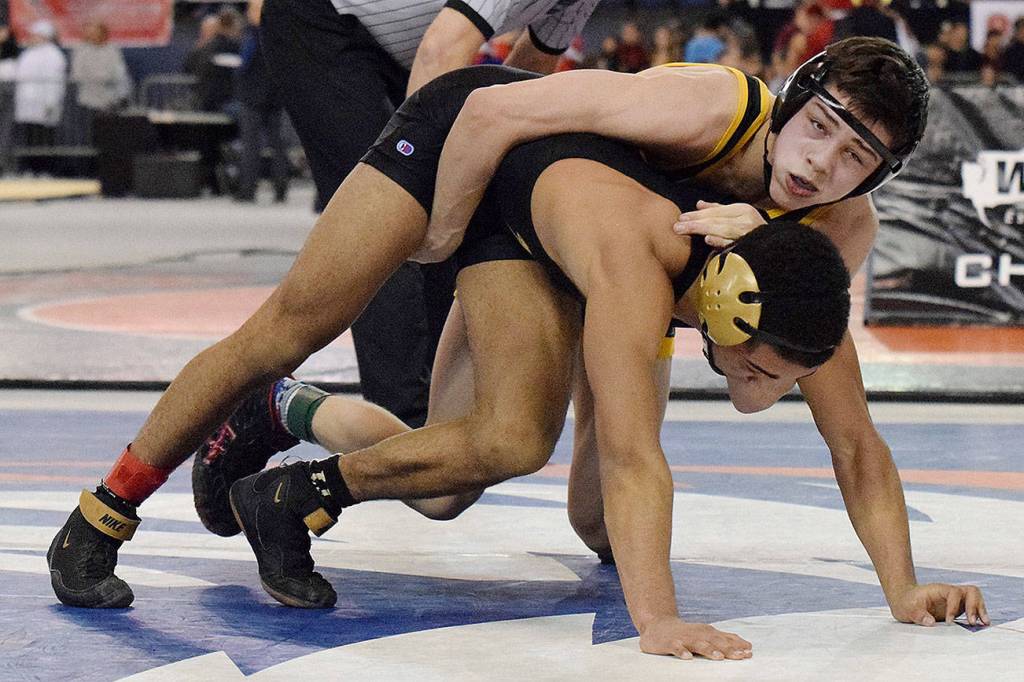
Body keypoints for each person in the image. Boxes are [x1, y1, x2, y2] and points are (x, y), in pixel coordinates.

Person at [49, 41, 985, 645]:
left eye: (854, 159)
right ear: (789, 104)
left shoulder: (836, 231)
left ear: (878, 178)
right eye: (818, 130)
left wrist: (903, 588)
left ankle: (288, 417)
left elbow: (847, 424)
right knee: (295, 326)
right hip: (479, 152)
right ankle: (103, 514)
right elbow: (498, 115)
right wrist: (439, 236)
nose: (821, 164)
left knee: (507, 501)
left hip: (599, 247)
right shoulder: (708, 106)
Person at [258, 0, 600, 432]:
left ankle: (442, 415)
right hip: (319, 21)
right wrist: (418, 178)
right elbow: (441, 49)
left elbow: (526, 71)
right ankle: (405, 422)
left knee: (451, 209)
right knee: (388, 221)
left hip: (400, 47)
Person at [233, 0, 288, 203]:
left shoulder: (253, 37)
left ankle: (247, 189)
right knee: (277, 144)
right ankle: (281, 188)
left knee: (251, 145)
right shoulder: (279, 35)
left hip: (252, 98)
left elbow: (244, 65)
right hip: (275, 96)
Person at [14, 21, 66, 151]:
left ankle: (44, 164)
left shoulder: (54, 55)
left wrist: (51, 102)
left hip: (43, 105)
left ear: (45, 36)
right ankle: (32, 164)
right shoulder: (29, 53)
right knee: (30, 139)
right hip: (27, 104)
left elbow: (55, 81)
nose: (31, 37)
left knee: (44, 140)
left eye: (34, 35)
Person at [70, 21, 130, 115]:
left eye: (95, 32)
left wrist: (121, 93)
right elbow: (77, 74)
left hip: (110, 100)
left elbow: (119, 74)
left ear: (103, 33)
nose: (91, 36)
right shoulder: (80, 50)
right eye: (89, 33)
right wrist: (96, 78)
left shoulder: (112, 50)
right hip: (88, 100)